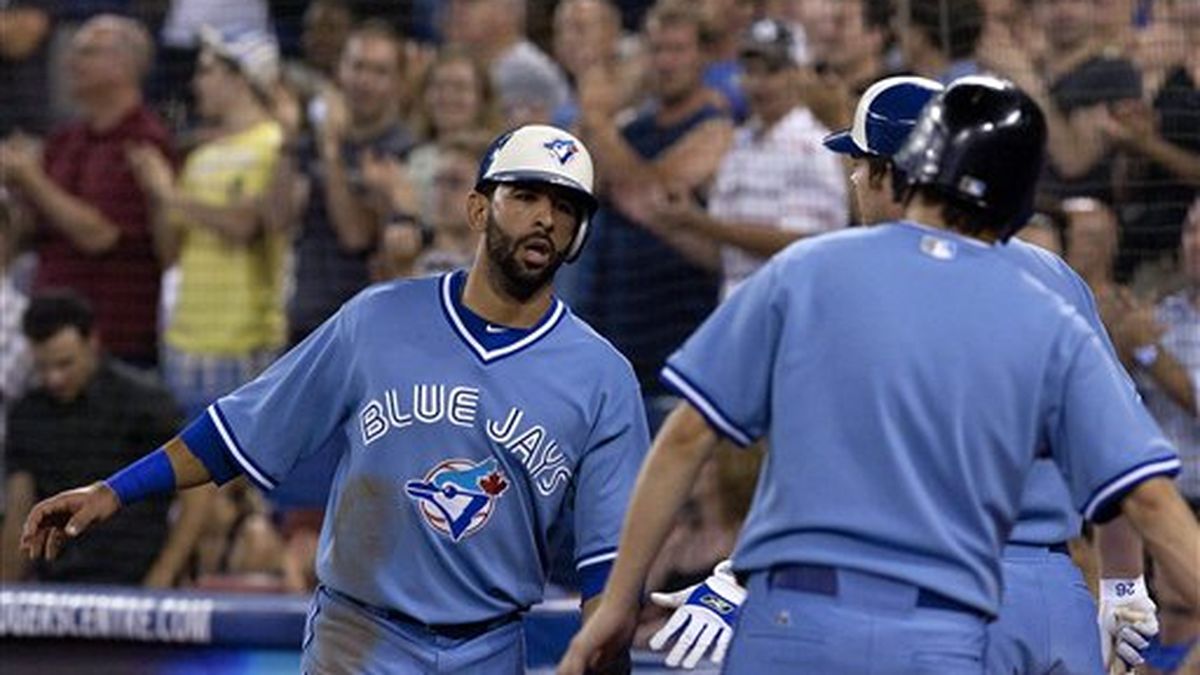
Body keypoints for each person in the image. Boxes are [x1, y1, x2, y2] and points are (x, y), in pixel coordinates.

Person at [558, 76, 1200, 675]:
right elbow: (1137, 487)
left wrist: (637, 595)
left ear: (900, 173)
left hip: (821, 603)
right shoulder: (1047, 295)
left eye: (859, 165)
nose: (854, 181)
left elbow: (692, 438)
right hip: (981, 604)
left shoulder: (810, 269)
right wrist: (1122, 584)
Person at [20, 125, 649, 675]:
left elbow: (608, 565)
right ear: (479, 209)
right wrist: (113, 491)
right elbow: (238, 431)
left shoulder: (602, 377)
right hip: (360, 636)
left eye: (565, 207)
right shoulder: (376, 320)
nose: (545, 218)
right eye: (527, 196)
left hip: (490, 646)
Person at [0, 14, 169, 367]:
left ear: (123, 64)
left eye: (86, 53)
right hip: (49, 337)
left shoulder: (143, 141)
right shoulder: (64, 139)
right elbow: (32, 229)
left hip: (115, 339)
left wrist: (32, 179)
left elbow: (100, 235)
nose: (69, 62)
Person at [650, 18, 847, 298]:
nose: (759, 83)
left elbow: (806, 244)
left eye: (771, 71)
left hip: (792, 310)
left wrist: (699, 223)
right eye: (751, 71)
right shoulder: (740, 143)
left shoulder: (814, 144)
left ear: (796, 74)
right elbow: (727, 259)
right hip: (737, 309)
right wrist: (674, 225)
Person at [1, 291, 184, 585]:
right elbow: (19, 509)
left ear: (92, 343)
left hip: (137, 582)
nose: (54, 378)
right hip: (57, 588)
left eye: (64, 364)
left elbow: (198, 493)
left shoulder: (144, 401)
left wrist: (164, 574)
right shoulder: (27, 414)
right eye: (43, 367)